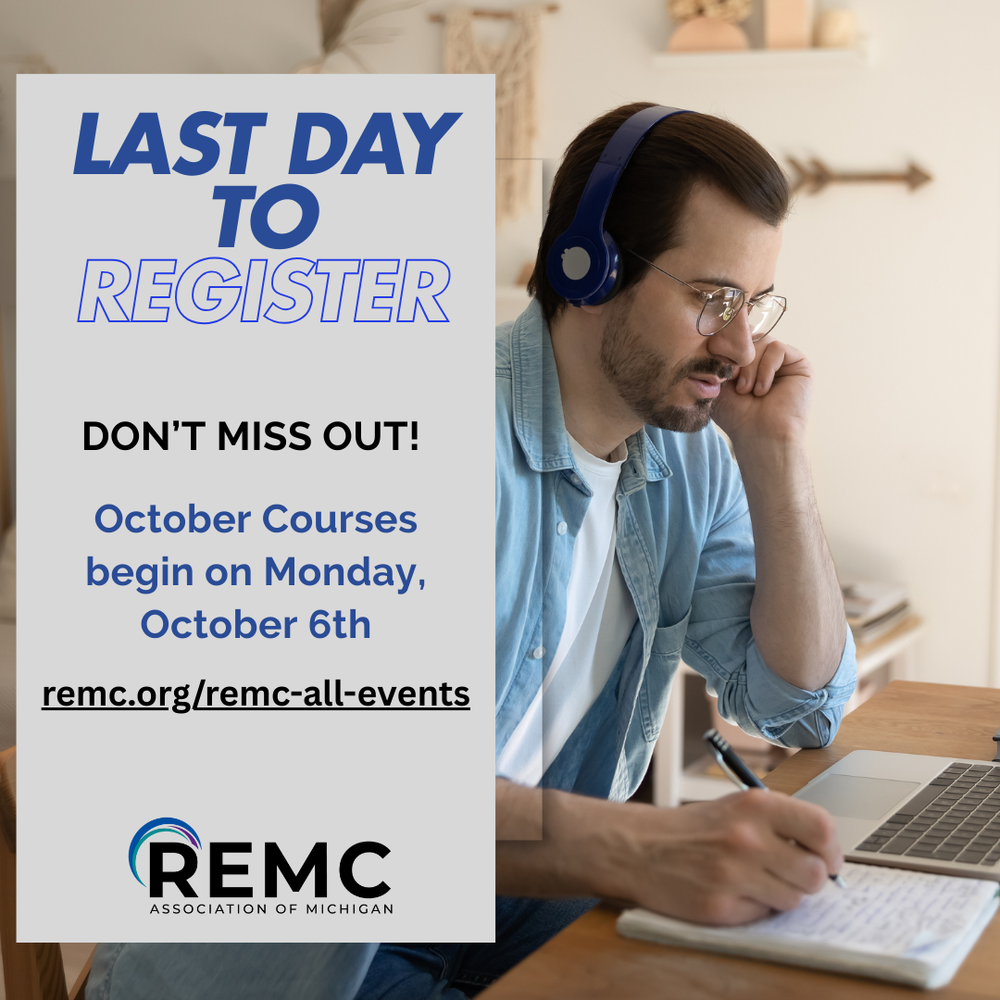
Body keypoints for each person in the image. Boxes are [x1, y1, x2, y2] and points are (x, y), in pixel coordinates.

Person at [351, 102, 857, 998]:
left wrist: (776, 455)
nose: (741, 348)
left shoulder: (689, 455)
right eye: (710, 299)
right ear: (586, 268)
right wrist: (646, 846)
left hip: (518, 911)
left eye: (753, 304)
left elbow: (799, 705)